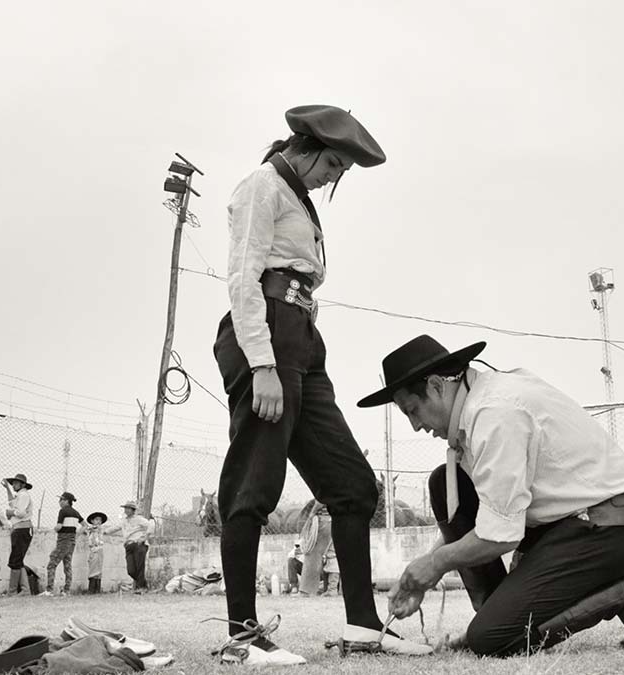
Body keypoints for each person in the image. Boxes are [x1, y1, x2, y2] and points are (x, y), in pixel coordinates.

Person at [211, 104, 429, 665]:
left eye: (341, 171)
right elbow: (242, 277)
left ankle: (362, 627)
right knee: (255, 482)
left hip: (302, 339)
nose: (334, 177)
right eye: (332, 163)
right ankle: (242, 636)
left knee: (353, 487)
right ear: (303, 148)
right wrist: (262, 363)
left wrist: (298, 340)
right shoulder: (263, 185)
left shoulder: (300, 199)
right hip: (267, 335)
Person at [358, 335, 624, 658]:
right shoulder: (483, 402)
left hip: (605, 529)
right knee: (444, 482)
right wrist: (422, 571)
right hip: (566, 524)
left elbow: (500, 535)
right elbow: (495, 511)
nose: (415, 426)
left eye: (413, 410)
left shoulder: (496, 413)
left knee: (491, 640)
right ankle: (500, 614)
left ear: (437, 386)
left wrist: (435, 564)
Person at [103, 501, 152, 593]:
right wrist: (104, 531)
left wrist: (144, 538)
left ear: (133, 510)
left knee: (139, 567)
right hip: (128, 545)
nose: (126, 510)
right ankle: (143, 585)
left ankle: (140, 588)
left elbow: (150, 525)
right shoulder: (124, 521)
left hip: (138, 544)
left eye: (128, 508)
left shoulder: (139, 519)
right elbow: (115, 528)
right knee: (131, 570)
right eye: (125, 508)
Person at [42, 492, 84, 596]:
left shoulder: (63, 511)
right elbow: (84, 525)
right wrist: (76, 533)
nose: (59, 502)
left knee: (52, 563)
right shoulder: (76, 513)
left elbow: (59, 526)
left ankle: (49, 590)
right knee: (67, 565)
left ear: (66, 501)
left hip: (63, 541)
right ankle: (66, 590)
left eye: (61, 500)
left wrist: (55, 529)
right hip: (72, 541)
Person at [1, 473, 34, 595]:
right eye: (13, 483)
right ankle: (25, 590)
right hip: (20, 529)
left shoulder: (24, 495)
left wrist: (10, 513)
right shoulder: (20, 495)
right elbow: (11, 502)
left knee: (15, 560)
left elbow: (20, 512)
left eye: (15, 483)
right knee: (18, 560)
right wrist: (7, 489)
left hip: (22, 529)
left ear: (22, 484)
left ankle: (13, 591)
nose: (13, 485)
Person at [84, 511, 108, 594]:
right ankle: (91, 589)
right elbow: (85, 530)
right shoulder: (91, 530)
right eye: (96, 519)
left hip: (100, 550)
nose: (98, 522)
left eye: (100, 520)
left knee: (99, 569)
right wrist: (91, 528)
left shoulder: (101, 530)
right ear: (92, 521)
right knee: (93, 569)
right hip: (93, 550)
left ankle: (97, 589)